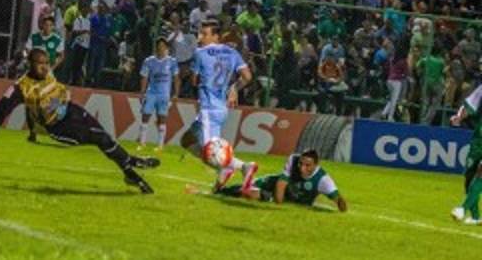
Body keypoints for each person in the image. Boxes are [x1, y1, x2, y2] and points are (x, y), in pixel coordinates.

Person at [0, 49, 158, 194]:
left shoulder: (47, 73)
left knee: (105, 138)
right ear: (30, 65)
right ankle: (132, 163)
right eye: (40, 64)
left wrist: (64, 96)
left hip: (72, 110)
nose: (45, 67)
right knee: (100, 138)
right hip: (60, 127)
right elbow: (2, 111)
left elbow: (57, 89)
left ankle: (130, 175)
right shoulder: (21, 88)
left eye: (46, 63)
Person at [179, 20, 257, 194]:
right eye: (200, 33)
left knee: (211, 153)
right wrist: (234, 88)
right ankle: (224, 171)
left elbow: (194, 81)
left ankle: (243, 167)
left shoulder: (200, 53)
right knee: (187, 140)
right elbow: (247, 76)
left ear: (216, 36)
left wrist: (190, 72)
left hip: (209, 109)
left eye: (204, 34)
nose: (200, 37)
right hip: (221, 108)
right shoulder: (232, 52)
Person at [212, 149, 348, 211]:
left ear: (316, 165)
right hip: (274, 185)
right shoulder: (293, 159)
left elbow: (339, 201)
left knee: (249, 193)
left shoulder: (323, 180)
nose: (302, 168)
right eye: (301, 164)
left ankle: (237, 173)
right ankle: (222, 187)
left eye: (307, 165)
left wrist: (340, 202)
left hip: (287, 196)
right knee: (247, 192)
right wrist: (277, 204)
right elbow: (281, 184)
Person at [138, 37, 179, 151]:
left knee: (162, 118)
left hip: (164, 95)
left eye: (163, 46)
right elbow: (144, 77)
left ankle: (160, 145)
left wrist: (176, 93)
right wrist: (142, 92)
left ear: (166, 48)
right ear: (156, 47)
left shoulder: (172, 62)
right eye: (159, 46)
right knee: (145, 116)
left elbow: (176, 78)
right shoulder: (149, 61)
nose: (160, 48)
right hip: (151, 93)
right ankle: (142, 143)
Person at [450, 84, 482, 224]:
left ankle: (462, 208)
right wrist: (459, 117)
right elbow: (470, 104)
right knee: (469, 176)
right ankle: (475, 217)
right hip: (478, 141)